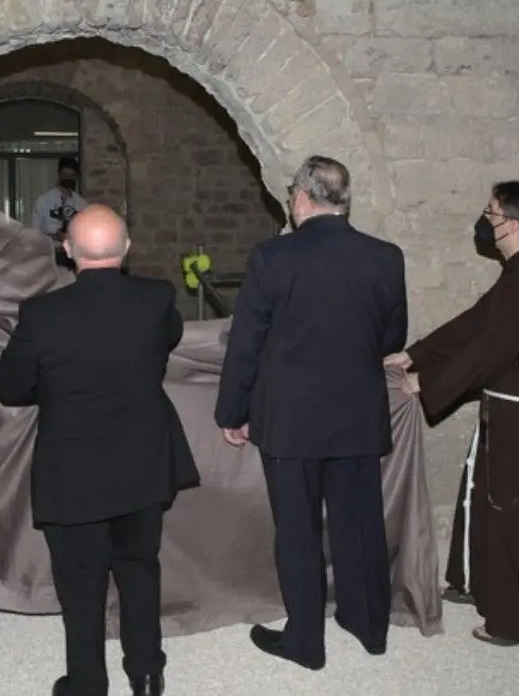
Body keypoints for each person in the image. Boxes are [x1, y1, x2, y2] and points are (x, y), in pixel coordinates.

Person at [0, 204, 199, 696]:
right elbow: (168, 339)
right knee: (139, 568)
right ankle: (146, 673)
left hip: (73, 473)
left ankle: (87, 683)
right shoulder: (157, 298)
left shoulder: (42, 314)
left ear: (67, 251)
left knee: (81, 584)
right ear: (127, 249)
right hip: (144, 466)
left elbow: (8, 386)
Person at [214, 155, 407, 669]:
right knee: (360, 523)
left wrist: (231, 410)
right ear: (343, 201)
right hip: (358, 413)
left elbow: (245, 345)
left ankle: (307, 641)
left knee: (297, 529)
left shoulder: (272, 257)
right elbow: (393, 337)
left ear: (300, 197)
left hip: (290, 419)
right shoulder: (386, 257)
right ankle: (369, 627)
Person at [386, 180, 519, 647]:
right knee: (490, 502)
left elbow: (490, 350)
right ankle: (481, 582)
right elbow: (477, 323)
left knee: (515, 516)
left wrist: (426, 382)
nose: (484, 220)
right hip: (515, 413)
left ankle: (515, 622)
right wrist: (415, 354)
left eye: (491, 212)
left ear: (512, 224)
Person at [30, 157, 89, 269]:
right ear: (59, 174)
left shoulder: (81, 204)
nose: (68, 178)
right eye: (65, 174)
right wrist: (54, 235)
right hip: (49, 256)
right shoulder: (44, 201)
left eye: (71, 175)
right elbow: (34, 232)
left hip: (74, 257)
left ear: (76, 177)